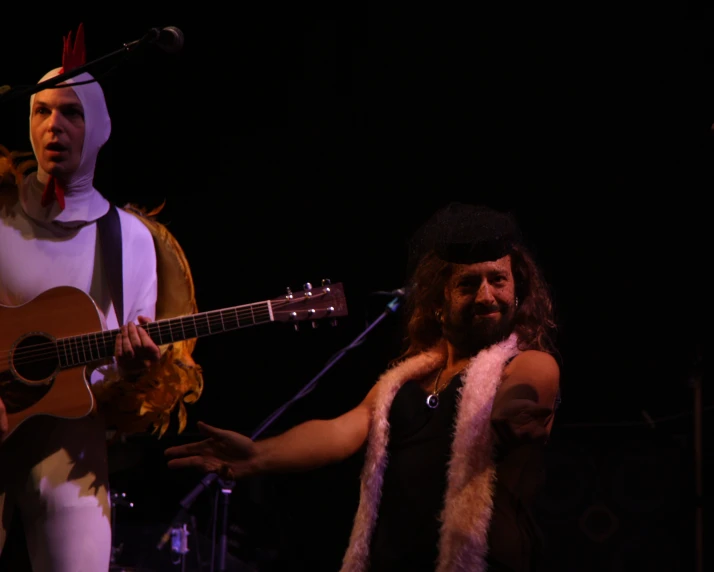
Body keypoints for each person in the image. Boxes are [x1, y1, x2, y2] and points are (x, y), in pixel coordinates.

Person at [164, 201, 561, 571]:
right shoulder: (403, 382)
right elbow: (340, 431)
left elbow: (529, 387)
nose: (486, 295)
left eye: (499, 280)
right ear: (438, 300)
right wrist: (256, 457)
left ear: (517, 289)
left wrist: (517, 409)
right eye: (468, 283)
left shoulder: (524, 363)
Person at [0, 24, 204, 571]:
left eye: (72, 113)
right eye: (41, 111)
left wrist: (137, 371)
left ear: (101, 128)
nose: (54, 127)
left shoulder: (131, 240)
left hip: (72, 444)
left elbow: (130, 382)